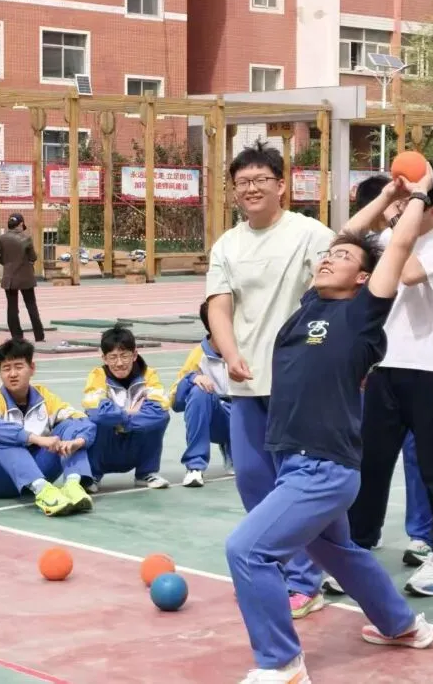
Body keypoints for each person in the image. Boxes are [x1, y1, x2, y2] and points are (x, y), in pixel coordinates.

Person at [226, 166, 433, 684]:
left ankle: (283, 663)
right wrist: (385, 193)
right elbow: (348, 237)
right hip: (293, 459)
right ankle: (401, 625)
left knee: (248, 550)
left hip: (321, 467)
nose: (329, 257)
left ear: (364, 278)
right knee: (337, 551)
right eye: (326, 256)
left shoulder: (363, 315)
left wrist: (416, 196)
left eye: (341, 260)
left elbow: (395, 244)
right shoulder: (309, 305)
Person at [206, 142, 335, 620]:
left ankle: (308, 580)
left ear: (282, 185)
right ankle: (273, 572)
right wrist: (230, 352)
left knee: (298, 487)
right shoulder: (228, 245)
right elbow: (219, 304)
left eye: (262, 179)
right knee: (255, 484)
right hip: (246, 382)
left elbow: (335, 290)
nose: (252, 188)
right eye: (243, 182)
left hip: (297, 383)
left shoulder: (309, 234)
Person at [347, 161, 433, 596]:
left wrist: (402, 216)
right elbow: (346, 237)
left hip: (431, 370)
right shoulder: (383, 239)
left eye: (413, 201)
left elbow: (410, 272)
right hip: (381, 369)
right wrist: (387, 201)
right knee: (370, 467)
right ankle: (358, 548)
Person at [0, 339, 96, 515]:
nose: (12, 374)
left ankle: (73, 484)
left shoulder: (45, 397)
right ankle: (43, 491)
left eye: (18, 367)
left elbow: (83, 421)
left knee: (70, 426)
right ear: (0, 372)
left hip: (34, 471)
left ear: (32, 368)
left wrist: (77, 442)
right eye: (6, 368)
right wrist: (35, 439)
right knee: (3, 437)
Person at [81, 325, 171, 491]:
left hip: (135, 442)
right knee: (95, 423)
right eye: (113, 357)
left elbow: (159, 410)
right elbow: (97, 414)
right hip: (108, 445)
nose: (119, 363)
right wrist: (128, 413)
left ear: (135, 354)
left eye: (124, 356)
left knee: (161, 419)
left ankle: (146, 473)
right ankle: (92, 475)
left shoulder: (148, 375)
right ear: (104, 358)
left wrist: (122, 422)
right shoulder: (97, 376)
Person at [170, 300, 232, 487]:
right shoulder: (198, 355)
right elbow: (175, 402)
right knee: (199, 391)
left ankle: (236, 447)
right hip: (219, 416)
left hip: (247, 417)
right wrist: (191, 379)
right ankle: (195, 467)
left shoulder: (249, 347)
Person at [0, 213, 45, 342]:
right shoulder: (26, 239)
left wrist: (8, 265)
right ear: (20, 224)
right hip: (26, 277)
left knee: (12, 308)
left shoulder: (2, 238)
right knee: (31, 306)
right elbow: (33, 257)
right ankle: (39, 335)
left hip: (9, 278)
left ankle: (16, 336)